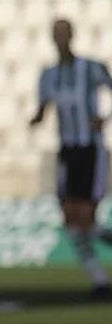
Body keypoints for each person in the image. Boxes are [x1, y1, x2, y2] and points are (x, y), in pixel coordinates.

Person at [29, 17, 112, 297]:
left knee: (86, 217)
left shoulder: (91, 67)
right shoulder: (49, 75)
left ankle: (101, 276)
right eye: (56, 33)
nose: (60, 38)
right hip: (67, 150)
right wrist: (35, 119)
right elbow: (43, 108)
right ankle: (100, 282)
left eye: (64, 32)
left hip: (90, 150)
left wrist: (104, 118)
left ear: (72, 35)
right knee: (71, 220)